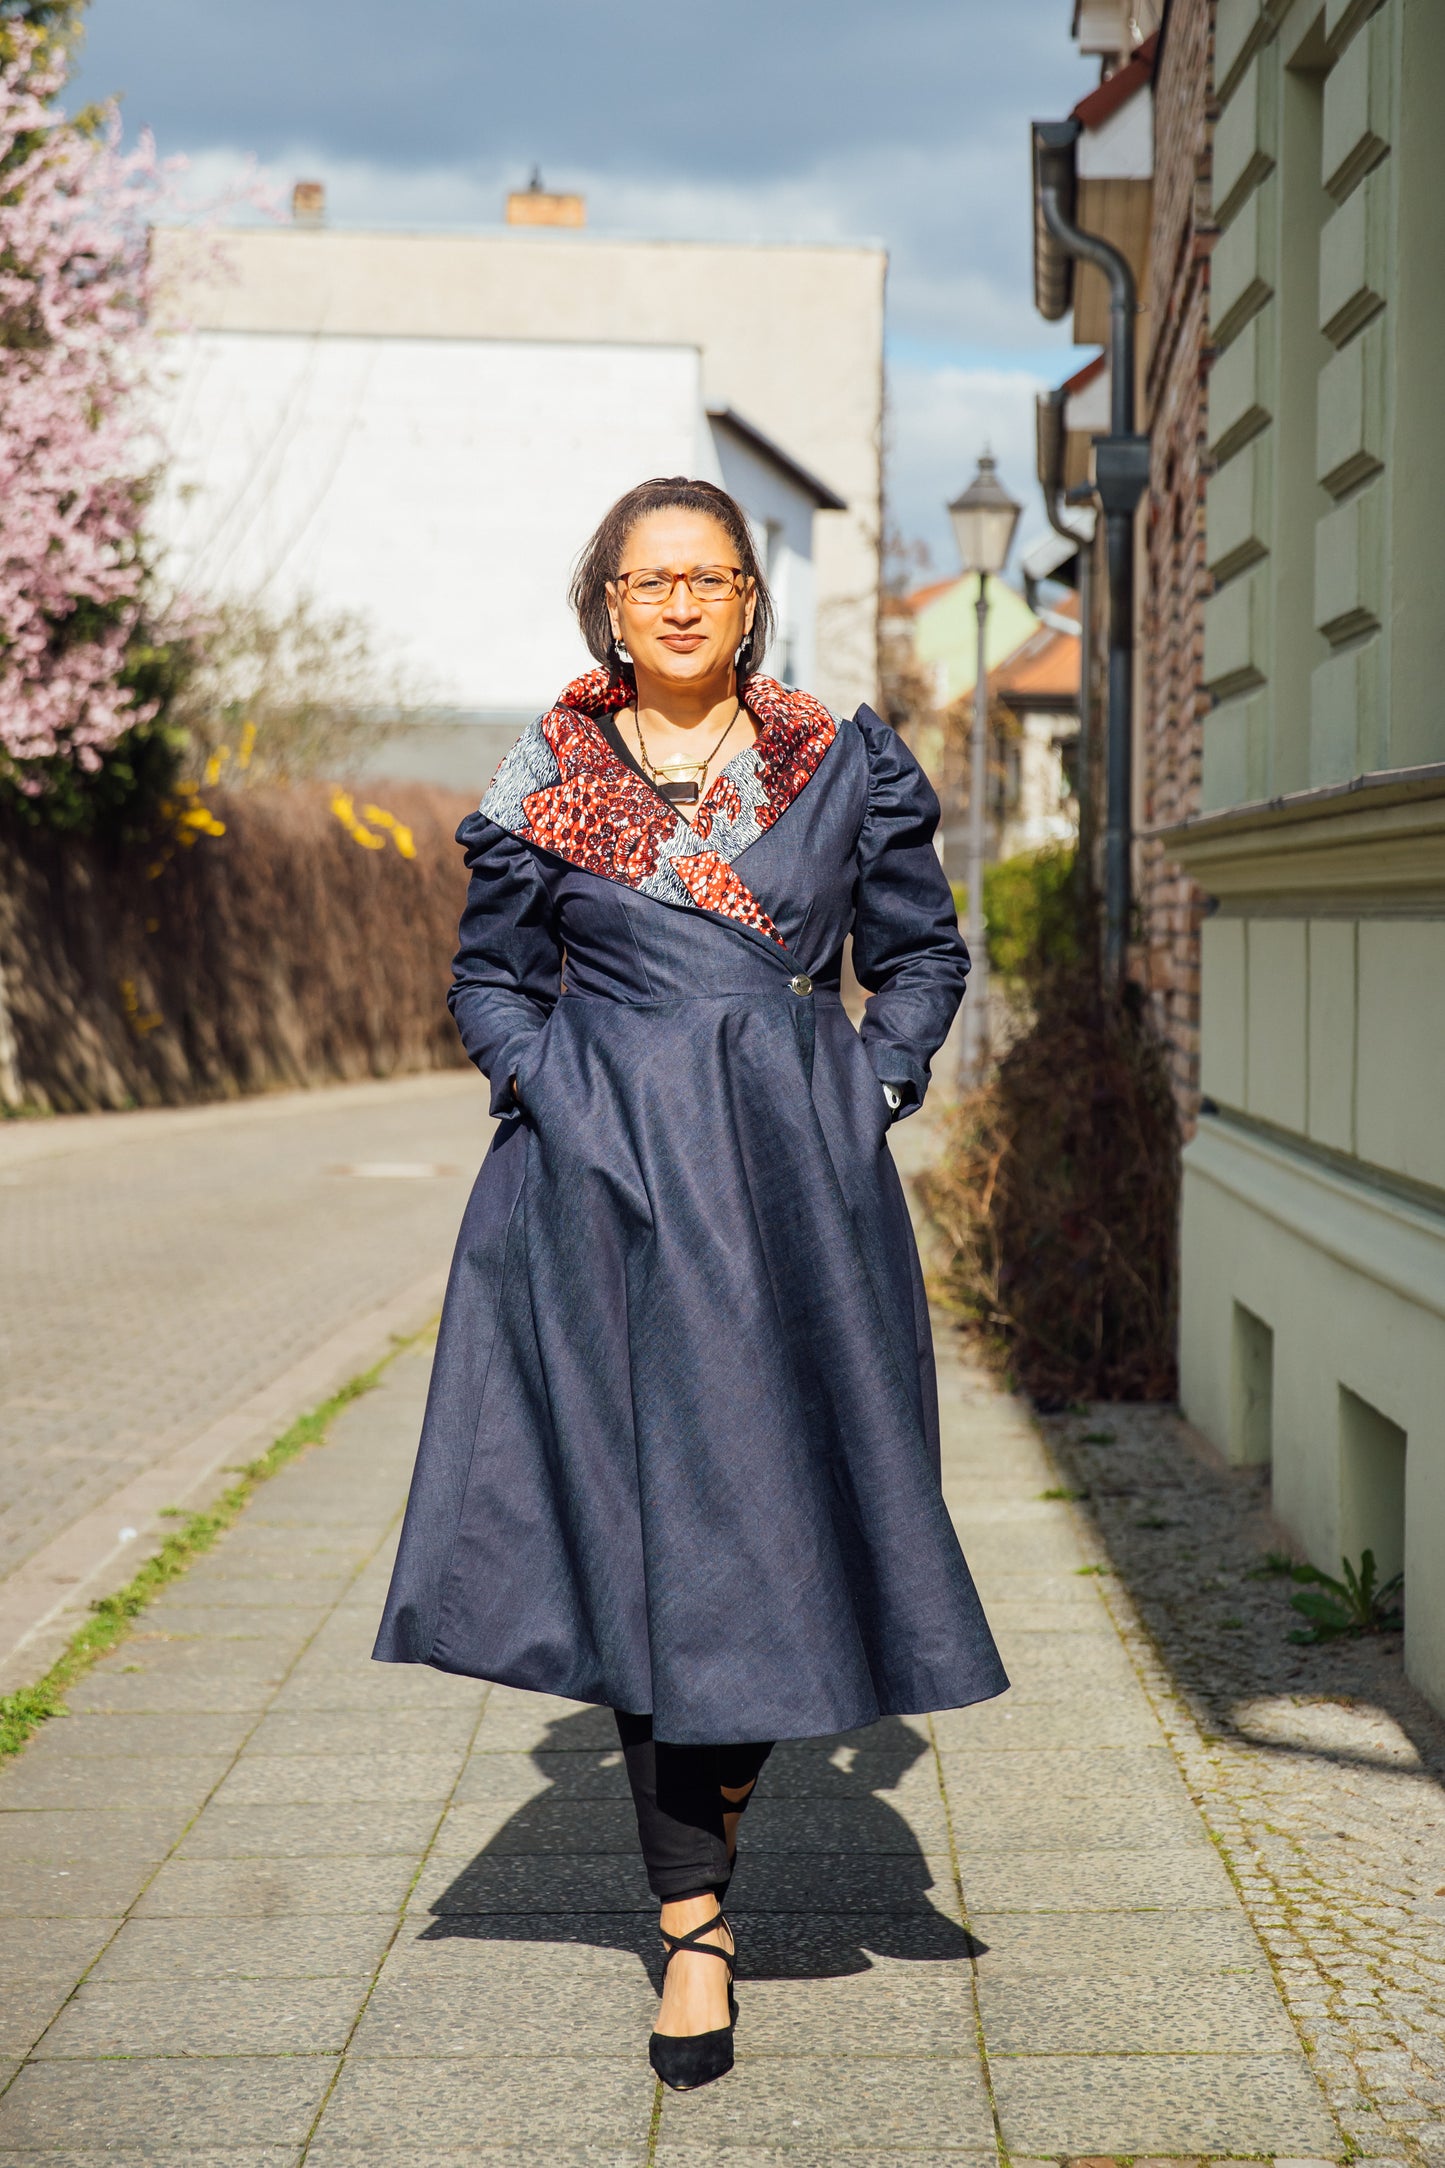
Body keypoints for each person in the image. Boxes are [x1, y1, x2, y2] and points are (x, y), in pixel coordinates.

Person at [374, 475, 1008, 2089]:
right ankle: (693, 1932)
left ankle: (701, 1873)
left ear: (746, 603)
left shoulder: (837, 759)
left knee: (758, 1542)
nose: (675, 605)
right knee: (649, 1547)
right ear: (607, 602)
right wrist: (552, 1094)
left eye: (707, 580)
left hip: (787, 1200)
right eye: (646, 580)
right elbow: (492, 977)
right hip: (592, 1201)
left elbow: (918, 956)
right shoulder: (545, 776)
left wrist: (860, 1088)